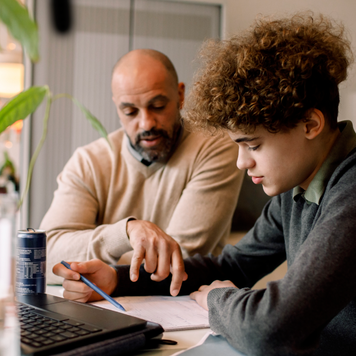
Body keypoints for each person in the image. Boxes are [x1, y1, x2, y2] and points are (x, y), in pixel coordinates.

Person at [53, 13, 356, 355]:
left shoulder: (350, 193)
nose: (243, 162)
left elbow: (269, 330)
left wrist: (217, 299)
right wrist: (116, 277)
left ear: (310, 123)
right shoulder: (297, 191)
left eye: (253, 145)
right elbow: (232, 266)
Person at [42, 49, 243, 284]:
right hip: (104, 306)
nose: (146, 123)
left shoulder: (215, 146)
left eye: (157, 106)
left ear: (180, 95)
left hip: (185, 307)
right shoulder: (88, 162)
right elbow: (45, 257)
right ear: (117, 107)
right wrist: (125, 233)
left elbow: (179, 259)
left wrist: (94, 266)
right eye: (130, 112)